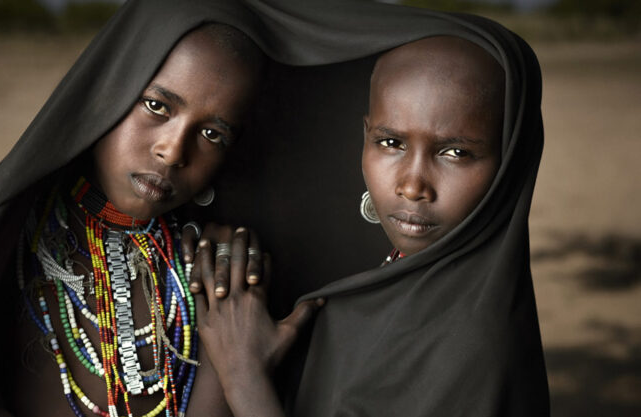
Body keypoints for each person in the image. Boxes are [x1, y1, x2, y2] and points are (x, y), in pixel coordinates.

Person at [0, 1, 548, 416]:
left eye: (213, 134)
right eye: (155, 105)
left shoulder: (214, 267)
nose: (172, 150)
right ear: (102, 94)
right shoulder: (1, 243)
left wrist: (238, 372)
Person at [191, 32, 548, 417]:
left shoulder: (477, 347)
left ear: (510, 160)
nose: (412, 186)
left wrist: (244, 378)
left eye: (456, 152)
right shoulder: (391, 280)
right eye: (391, 143)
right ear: (364, 135)